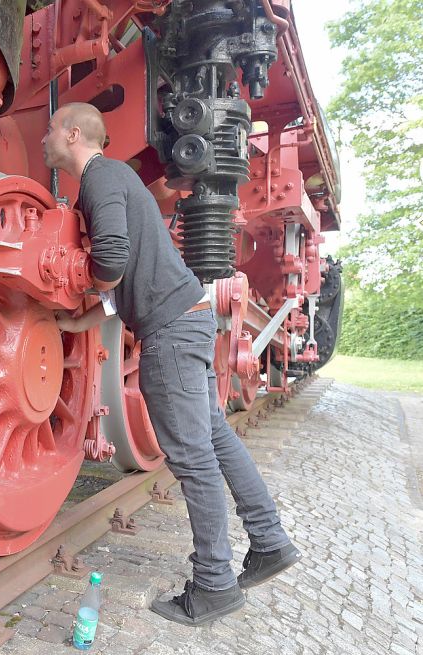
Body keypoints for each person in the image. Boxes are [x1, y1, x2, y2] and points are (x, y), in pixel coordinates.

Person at [42, 102, 301, 626]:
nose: (45, 139)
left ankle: (214, 584)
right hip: (190, 318)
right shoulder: (117, 179)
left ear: (72, 134)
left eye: (50, 130)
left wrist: (83, 286)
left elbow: (112, 260)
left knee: (192, 458)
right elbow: (128, 269)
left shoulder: (98, 179)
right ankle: (269, 540)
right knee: (214, 437)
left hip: (170, 332)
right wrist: (83, 318)